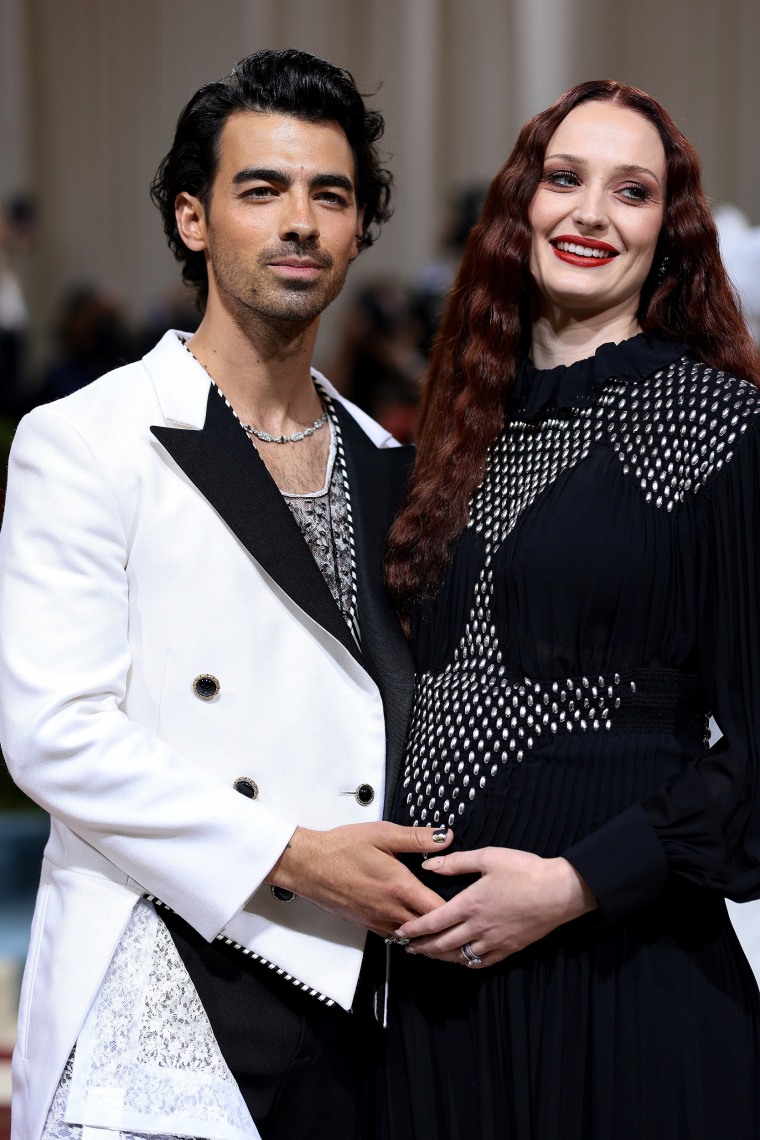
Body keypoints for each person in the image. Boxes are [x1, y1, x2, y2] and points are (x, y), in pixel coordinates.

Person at [0, 49, 452, 1140]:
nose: (299, 221)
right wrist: (294, 855)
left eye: (329, 195)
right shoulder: (86, 440)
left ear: (357, 231)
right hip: (162, 979)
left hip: (360, 1004)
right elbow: (53, 734)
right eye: (262, 190)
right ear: (194, 220)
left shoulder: (389, 461)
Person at [380, 79, 760, 1139]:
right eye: (565, 178)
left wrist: (575, 884)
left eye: (631, 192)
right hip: (441, 995)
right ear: (520, 206)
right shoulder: (454, 438)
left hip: (622, 979)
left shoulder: (715, 425)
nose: (590, 213)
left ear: (668, 237)